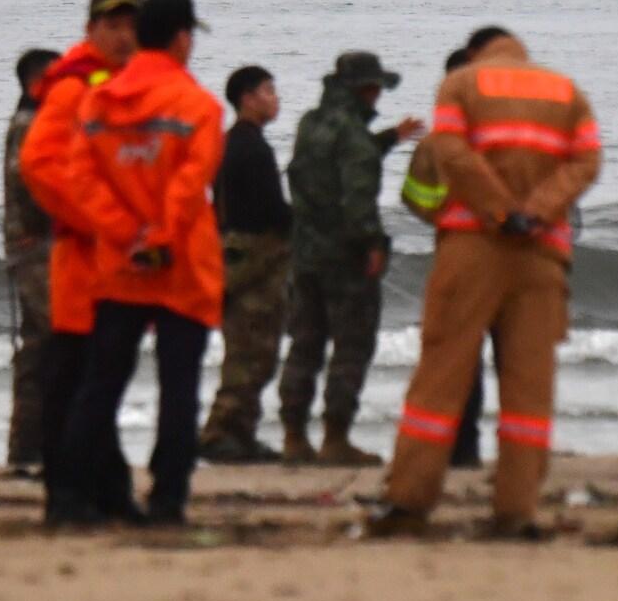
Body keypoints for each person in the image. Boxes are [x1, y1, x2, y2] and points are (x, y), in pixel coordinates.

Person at [368, 26, 602, 539]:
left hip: (473, 245)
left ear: (474, 54)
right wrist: (536, 212)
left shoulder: (462, 86)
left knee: (441, 376)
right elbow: (588, 161)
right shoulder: (566, 91)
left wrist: (498, 212)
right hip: (542, 252)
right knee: (529, 389)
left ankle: (409, 500)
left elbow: (451, 153)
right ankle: (516, 510)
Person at [61, 0, 223, 525]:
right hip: (181, 265)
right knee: (179, 389)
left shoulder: (97, 103)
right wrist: (157, 237)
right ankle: (168, 498)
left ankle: (71, 498)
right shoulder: (198, 106)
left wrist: (124, 233)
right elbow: (189, 184)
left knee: (101, 386)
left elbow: (81, 180)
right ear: (181, 38)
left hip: (120, 264)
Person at [19, 0, 143, 525]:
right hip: (83, 264)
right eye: (111, 25)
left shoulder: (130, 85)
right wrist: (97, 223)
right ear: (90, 29)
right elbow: (39, 164)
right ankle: (67, 498)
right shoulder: (74, 87)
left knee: (101, 384)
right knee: (72, 384)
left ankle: (104, 491)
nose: (121, 35)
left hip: (121, 265)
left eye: (130, 25)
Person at [278, 52, 424, 466]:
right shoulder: (356, 137)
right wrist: (372, 244)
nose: (379, 96)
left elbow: (327, 166)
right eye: (376, 88)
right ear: (366, 89)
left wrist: (391, 137)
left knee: (305, 343)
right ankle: (335, 437)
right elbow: (357, 195)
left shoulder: (311, 123)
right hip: (343, 259)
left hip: (305, 254)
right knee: (351, 346)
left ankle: (293, 436)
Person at [398, 46, 488, 469]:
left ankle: (464, 447)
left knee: (462, 356)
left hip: (459, 257)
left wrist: (444, 218)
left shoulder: (435, 145)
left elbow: (413, 199)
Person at [199, 66, 292, 463]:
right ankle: (222, 432)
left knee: (252, 348)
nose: (275, 99)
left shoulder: (230, 143)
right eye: (268, 91)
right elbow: (267, 209)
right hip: (252, 258)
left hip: (235, 254)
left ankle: (239, 433)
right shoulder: (249, 147)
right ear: (248, 98)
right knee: (252, 349)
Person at [3, 47, 60, 470]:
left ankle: (33, 445)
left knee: (44, 346)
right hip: (36, 249)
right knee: (44, 343)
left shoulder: (41, 122)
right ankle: (27, 447)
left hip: (40, 247)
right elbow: (32, 188)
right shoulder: (29, 125)